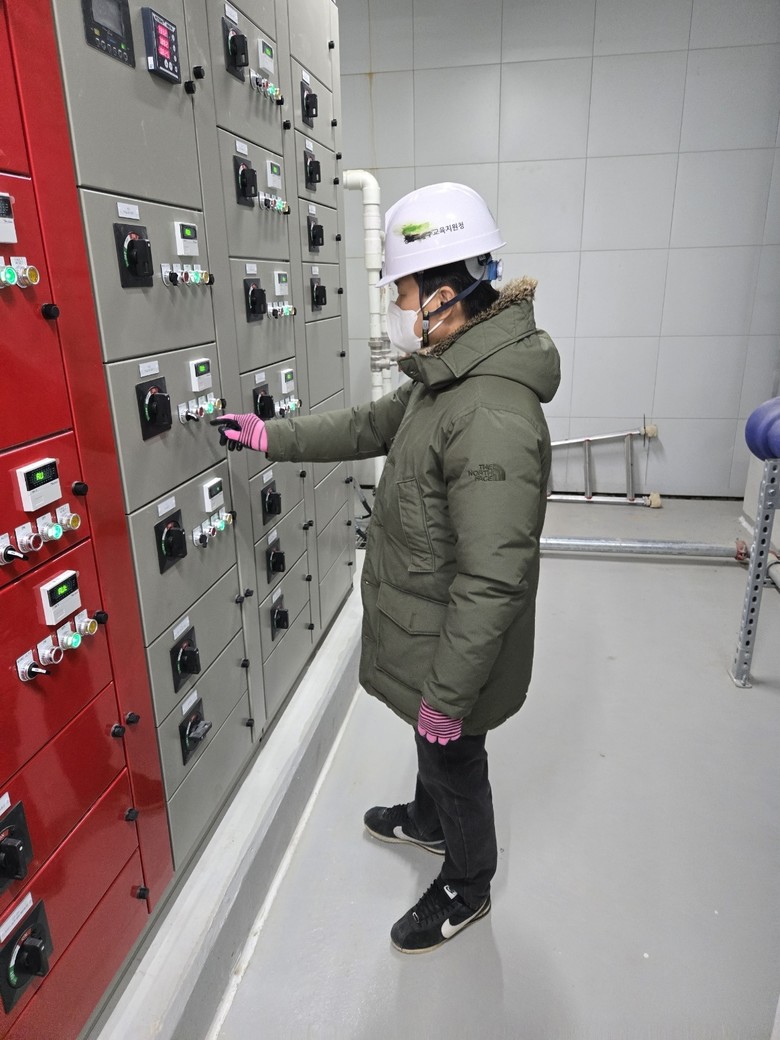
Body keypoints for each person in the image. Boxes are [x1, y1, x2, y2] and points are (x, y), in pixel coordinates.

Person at [213, 183, 560, 954]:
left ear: (443, 294)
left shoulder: (490, 411)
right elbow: (368, 425)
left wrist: (450, 695)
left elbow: (493, 578)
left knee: (453, 752)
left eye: (401, 290)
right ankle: (430, 823)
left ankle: (468, 884)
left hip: (456, 647)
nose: (397, 305)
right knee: (432, 744)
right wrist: (270, 436)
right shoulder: (447, 374)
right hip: (427, 629)